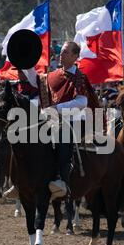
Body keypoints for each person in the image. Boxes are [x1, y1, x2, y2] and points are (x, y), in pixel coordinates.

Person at [41, 41, 101, 200]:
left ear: (75, 56)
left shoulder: (79, 77)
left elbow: (82, 103)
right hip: (53, 120)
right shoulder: (52, 75)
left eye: (66, 52)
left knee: (63, 135)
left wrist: (57, 109)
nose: (61, 54)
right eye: (61, 51)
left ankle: (63, 181)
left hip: (75, 121)